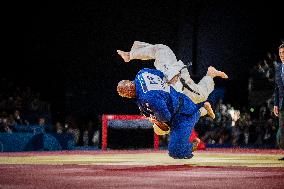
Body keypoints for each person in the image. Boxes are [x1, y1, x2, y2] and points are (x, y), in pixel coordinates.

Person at [117, 68, 215, 159]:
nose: (127, 95)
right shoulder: (142, 73)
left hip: (182, 115)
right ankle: (202, 108)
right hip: (177, 99)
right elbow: (161, 74)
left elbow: (166, 119)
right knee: (158, 129)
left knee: (176, 152)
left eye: (126, 93)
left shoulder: (147, 98)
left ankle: (199, 115)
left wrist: (157, 121)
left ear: (128, 93)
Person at [117, 41, 228, 104]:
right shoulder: (143, 101)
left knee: (162, 50)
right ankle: (211, 74)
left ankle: (130, 55)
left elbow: (156, 73)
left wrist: (168, 77)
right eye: (127, 91)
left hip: (168, 73)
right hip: (177, 90)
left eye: (128, 86)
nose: (129, 88)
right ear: (128, 96)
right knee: (200, 96)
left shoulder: (140, 76)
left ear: (129, 81)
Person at [273, 44, 284, 160]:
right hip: (281, 103)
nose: (282, 55)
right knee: (282, 128)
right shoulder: (278, 68)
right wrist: (275, 104)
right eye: (280, 53)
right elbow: (276, 88)